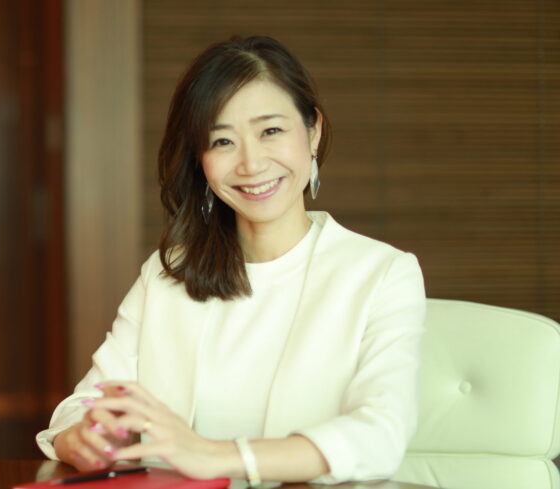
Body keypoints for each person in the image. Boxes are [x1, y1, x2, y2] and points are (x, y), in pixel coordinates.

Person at [36, 36, 426, 485]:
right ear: (200, 159)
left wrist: (218, 456)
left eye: (270, 131)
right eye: (222, 141)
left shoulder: (381, 274)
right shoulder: (168, 273)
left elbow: (381, 434)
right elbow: (84, 405)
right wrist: (80, 437)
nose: (251, 163)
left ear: (313, 131)